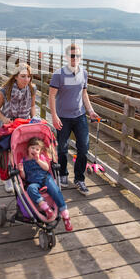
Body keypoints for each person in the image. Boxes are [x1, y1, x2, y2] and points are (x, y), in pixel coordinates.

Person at [49, 43, 99, 195]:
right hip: (63, 117)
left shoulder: (83, 73)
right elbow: (51, 95)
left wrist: (90, 111)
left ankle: (80, 179)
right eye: (72, 55)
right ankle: (63, 174)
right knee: (62, 148)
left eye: (77, 55)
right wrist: (54, 115)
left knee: (83, 148)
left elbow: (84, 94)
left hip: (80, 116)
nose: (75, 58)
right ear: (66, 57)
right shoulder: (58, 74)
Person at [0, 63, 36, 192]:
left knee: (24, 152)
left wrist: (34, 119)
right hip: (8, 126)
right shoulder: (5, 90)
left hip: (24, 124)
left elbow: (32, 106)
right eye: (23, 76)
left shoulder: (32, 89)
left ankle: (22, 175)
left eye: (28, 76)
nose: (26, 80)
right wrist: (5, 119)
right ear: (15, 77)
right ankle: (7, 179)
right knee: (7, 154)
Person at [17, 137, 73, 232]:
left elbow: (47, 168)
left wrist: (38, 160)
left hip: (45, 178)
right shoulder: (23, 161)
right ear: (28, 148)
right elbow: (24, 177)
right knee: (30, 188)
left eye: (37, 149)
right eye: (32, 148)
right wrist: (21, 171)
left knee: (56, 191)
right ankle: (46, 208)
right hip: (33, 182)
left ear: (40, 151)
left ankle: (65, 216)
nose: (34, 150)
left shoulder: (41, 157)